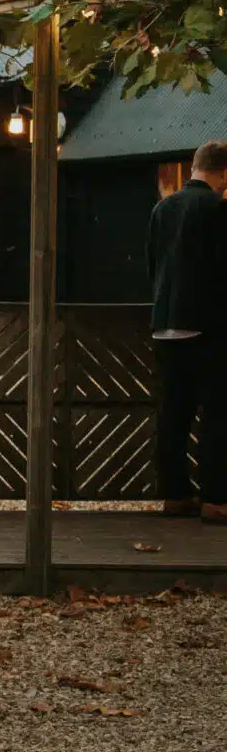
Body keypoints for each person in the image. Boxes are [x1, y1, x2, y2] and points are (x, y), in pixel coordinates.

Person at [148, 141, 227, 521]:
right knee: (216, 413)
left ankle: (174, 494)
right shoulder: (218, 209)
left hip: (164, 324)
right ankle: (214, 498)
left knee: (172, 414)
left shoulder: (162, 209)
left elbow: (152, 264)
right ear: (223, 173)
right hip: (207, 325)